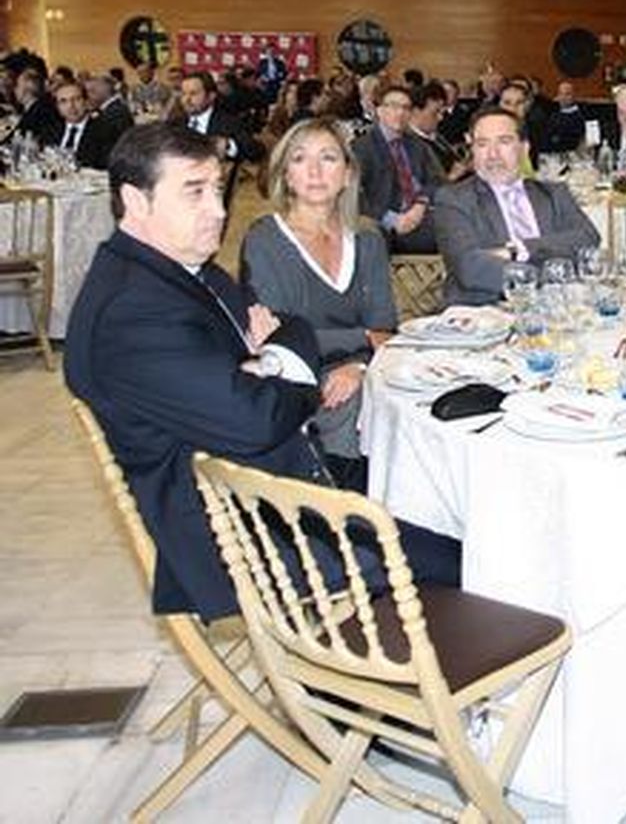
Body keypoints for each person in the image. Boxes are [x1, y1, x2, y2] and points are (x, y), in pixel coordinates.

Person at [64, 122, 458, 621]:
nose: (219, 209)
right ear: (135, 201)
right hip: (258, 535)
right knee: (469, 558)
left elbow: (289, 328)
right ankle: (406, 683)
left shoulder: (188, 272)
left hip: (291, 484)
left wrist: (264, 362)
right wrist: (282, 370)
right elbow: (254, 417)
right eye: (194, 192)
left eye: (215, 188)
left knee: (446, 501)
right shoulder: (132, 312)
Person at [241, 118, 397, 489]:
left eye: (327, 158)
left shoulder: (368, 237)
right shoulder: (264, 240)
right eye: (299, 159)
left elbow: (386, 328)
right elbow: (281, 341)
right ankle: (343, 523)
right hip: (294, 384)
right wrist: (362, 339)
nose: (314, 170)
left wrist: (358, 366)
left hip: (365, 374)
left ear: (346, 174)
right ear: (286, 175)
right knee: (347, 409)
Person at [433, 107, 600, 306]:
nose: (492, 154)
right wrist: (545, 279)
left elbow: (587, 239)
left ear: (524, 149)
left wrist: (518, 249)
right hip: (483, 313)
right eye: (482, 144)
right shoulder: (454, 199)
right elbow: (470, 267)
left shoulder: (553, 193)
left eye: (504, 142)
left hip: (556, 311)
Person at [351, 84, 444, 254]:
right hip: (383, 222)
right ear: (379, 110)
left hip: (420, 213)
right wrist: (391, 220)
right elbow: (354, 194)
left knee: (461, 229)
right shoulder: (362, 147)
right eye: (393, 106)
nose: (400, 113)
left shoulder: (417, 145)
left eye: (406, 108)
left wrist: (421, 204)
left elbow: (435, 181)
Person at [178, 70, 264, 163]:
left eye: (193, 94)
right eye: (183, 94)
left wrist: (229, 146)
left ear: (211, 96)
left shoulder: (230, 124)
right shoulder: (174, 124)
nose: (186, 100)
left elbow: (256, 151)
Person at [44, 78, 124, 170]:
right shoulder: (51, 130)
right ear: (58, 107)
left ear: (86, 102)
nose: (71, 106)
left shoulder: (105, 131)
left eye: (76, 99)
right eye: (63, 101)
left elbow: (105, 166)